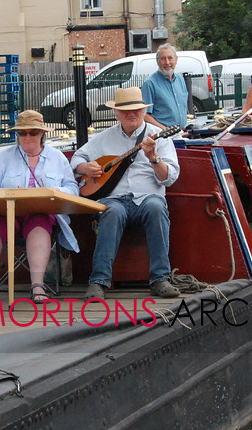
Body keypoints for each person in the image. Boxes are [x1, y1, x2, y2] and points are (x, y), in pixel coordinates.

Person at [0, 110, 80, 305]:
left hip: (41, 212)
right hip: (7, 213)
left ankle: (37, 285)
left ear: (42, 134)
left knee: (39, 223)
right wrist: (9, 194)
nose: (27, 137)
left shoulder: (58, 157)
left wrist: (55, 190)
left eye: (33, 132)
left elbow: (73, 189)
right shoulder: (4, 157)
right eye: (22, 133)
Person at [72, 86, 181, 300]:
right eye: (125, 111)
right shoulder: (104, 138)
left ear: (143, 111)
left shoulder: (161, 138)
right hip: (114, 199)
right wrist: (84, 168)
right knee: (110, 212)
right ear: (116, 113)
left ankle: (160, 279)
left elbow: (169, 178)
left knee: (157, 208)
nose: (132, 114)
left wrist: (154, 158)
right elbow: (76, 158)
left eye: (137, 110)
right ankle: (98, 282)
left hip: (147, 198)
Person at [141, 43, 189, 131]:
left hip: (182, 133)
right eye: (163, 59)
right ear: (157, 61)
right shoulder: (150, 84)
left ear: (176, 60)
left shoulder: (180, 80)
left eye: (170, 58)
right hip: (163, 136)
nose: (167, 62)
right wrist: (166, 130)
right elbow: (144, 115)